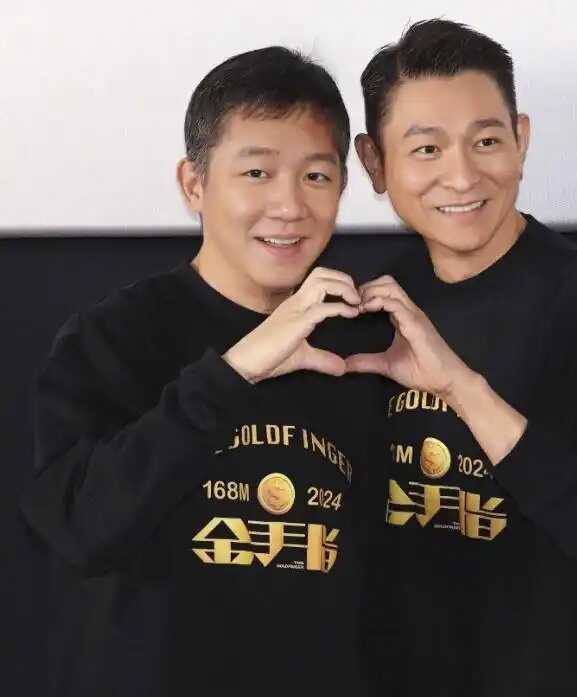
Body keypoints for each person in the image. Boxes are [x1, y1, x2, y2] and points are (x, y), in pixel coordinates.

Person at [22, 46, 380, 697]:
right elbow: (80, 528)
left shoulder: (363, 349)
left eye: (316, 176)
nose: (289, 204)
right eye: (257, 172)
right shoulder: (114, 338)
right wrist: (234, 370)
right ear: (194, 183)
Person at [350, 19, 577, 696]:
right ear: (375, 163)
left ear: (521, 140)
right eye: (426, 149)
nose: (462, 175)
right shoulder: (373, 307)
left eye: (487, 141)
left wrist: (463, 388)